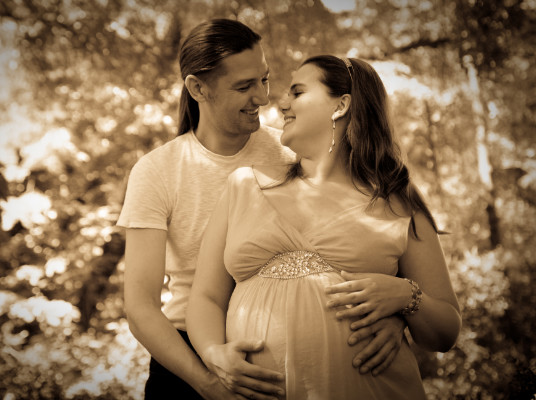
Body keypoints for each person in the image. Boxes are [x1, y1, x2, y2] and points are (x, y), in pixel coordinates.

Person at [118, 19, 409, 400]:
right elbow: (141, 307)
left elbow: (371, 243)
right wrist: (208, 382)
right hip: (186, 363)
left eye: (265, 80)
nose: (264, 98)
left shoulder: (293, 151)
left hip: (288, 367)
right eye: (244, 87)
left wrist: (398, 317)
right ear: (198, 88)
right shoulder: (158, 171)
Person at [187, 55, 462, 399]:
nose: (281, 104)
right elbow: (206, 297)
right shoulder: (244, 186)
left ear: (340, 105)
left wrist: (407, 298)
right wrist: (213, 353)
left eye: (298, 92)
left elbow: (447, 331)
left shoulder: (396, 201)